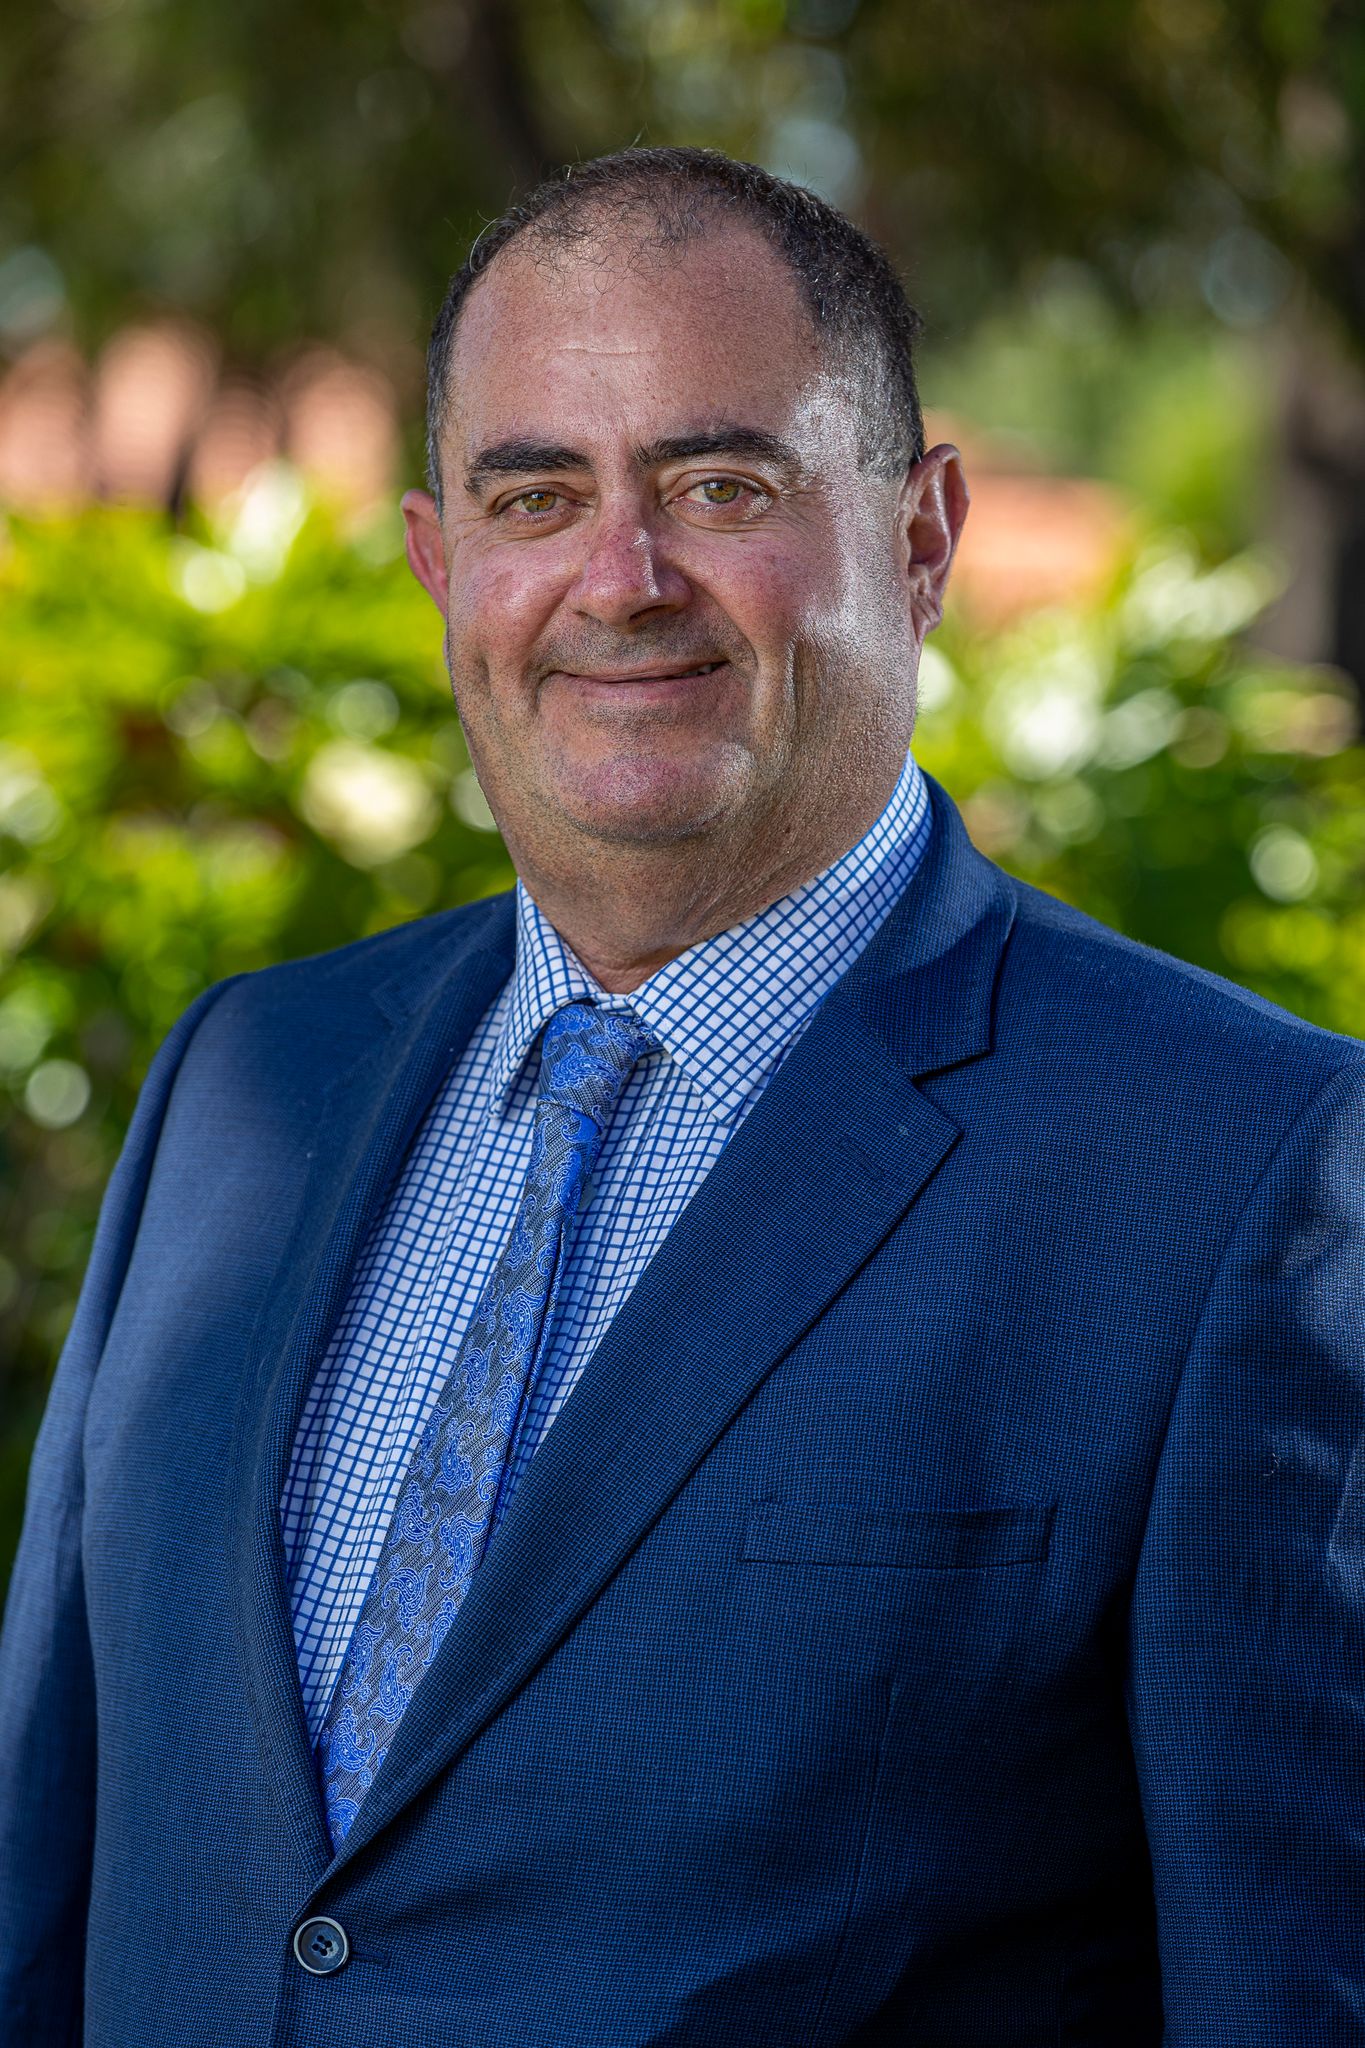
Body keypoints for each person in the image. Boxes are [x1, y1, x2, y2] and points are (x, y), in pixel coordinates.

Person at [2, 145, 1363, 2048]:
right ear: (436, 563)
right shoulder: (247, 1077)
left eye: (721, 485)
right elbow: (49, 1886)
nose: (618, 581)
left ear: (919, 535)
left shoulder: (1230, 1171)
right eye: (533, 493)